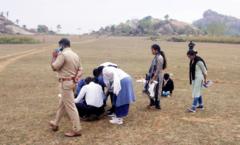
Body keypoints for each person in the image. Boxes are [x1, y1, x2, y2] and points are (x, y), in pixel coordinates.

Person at [49, 38, 82, 137]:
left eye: (59, 46)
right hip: (72, 82)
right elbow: (80, 69)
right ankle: (55, 123)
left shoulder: (62, 54)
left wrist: (54, 57)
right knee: (62, 105)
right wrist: (76, 78)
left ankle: (77, 129)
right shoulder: (75, 55)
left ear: (62, 45)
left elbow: (54, 67)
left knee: (71, 107)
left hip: (65, 84)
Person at [144, 44, 167, 109]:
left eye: (152, 50)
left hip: (158, 77)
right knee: (148, 89)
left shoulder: (159, 57)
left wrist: (153, 78)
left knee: (157, 90)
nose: (151, 51)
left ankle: (157, 104)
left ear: (156, 50)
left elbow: (158, 69)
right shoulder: (156, 56)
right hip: (153, 76)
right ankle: (152, 102)